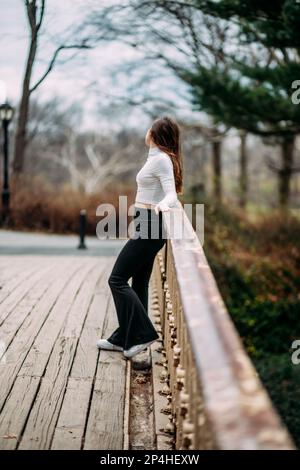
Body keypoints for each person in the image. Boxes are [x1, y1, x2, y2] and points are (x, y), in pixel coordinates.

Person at [97, 116, 183, 359]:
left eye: (150, 128)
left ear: (156, 134)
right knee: (140, 282)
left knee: (117, 279)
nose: (146, 131)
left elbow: (171, 195)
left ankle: (142, 334)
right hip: (146, 223)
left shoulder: (163, 160)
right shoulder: (156, 158)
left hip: (151, 224)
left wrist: (162, 206)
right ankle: (125, 338)